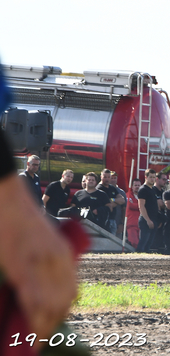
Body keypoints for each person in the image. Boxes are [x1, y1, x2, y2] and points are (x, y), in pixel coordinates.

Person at [0, 68, 77, 349]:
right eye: (31, 164)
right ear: (27, 165)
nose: (34, 167)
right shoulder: (22, 178)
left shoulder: (33, 179)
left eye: (35, 164)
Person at [96, 169, 125, 235]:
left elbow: (122, 200)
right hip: (104, 220)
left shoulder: (112, 187)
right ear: (101, 177)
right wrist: (116, 202)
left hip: (113, 219)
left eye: (109, 177)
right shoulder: (99, 189)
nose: (107, 179)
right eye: (105, 177)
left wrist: (112, 200)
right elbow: (107, 205)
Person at [137, 169, 160, 253]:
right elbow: (141, 206)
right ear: (146, 177)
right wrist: (148, 220)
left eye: (154, 177)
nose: (152, 179)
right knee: (143, 243)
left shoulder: (153, 190)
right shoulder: (143, 189)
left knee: (148, 245)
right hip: (146, 220)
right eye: (150, 177)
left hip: (153, 219)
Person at [151, 172, 168, 252]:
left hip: (163, 219)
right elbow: (159, 204)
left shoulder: (163, 192)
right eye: (163, 179)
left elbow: (164, 205)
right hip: (155, 220)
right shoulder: (152, 190)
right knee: (154, 243)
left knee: (161, 244)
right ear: (157, 179)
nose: (165, 181)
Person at [125, 178, 142, 249]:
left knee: (142, 243)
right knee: (134, 242)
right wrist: (142, 205)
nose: (137, 187)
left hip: (141, 224)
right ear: (132, 186)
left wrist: (136, 204)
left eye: (138, 185)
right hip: (131, 224)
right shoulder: (128, 195)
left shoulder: (143, 196)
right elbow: (129, 205)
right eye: (135, 185)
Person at [110, 171, 127, 238]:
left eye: (115, 178)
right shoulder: (104, 190)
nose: (113, 180)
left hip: (118, 223)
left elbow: (124, 209)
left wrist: (122, 224)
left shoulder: (121, 192)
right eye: (112, 178)